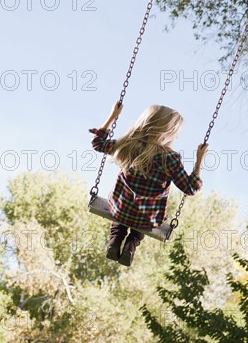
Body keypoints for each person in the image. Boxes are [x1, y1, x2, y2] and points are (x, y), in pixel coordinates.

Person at [89, 102, 208, 266]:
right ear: (168, 132)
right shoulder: (170, 159)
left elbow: (98, 144)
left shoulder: (127, 144)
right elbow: (190, 188)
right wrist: (199, 160)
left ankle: (115, 241)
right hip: (146, 218)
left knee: (122, 216)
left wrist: (112, 117)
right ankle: (131, 245)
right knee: (141, 222)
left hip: (120, 209)